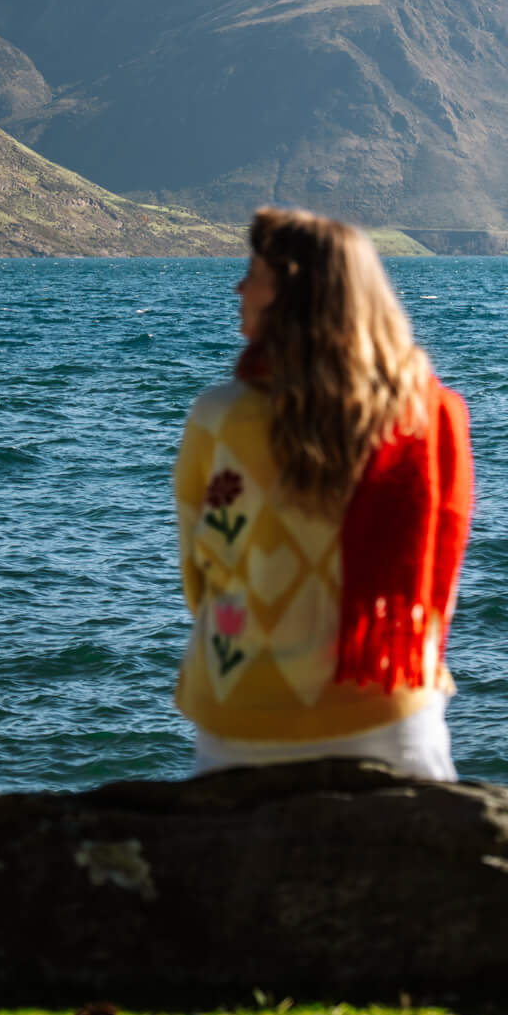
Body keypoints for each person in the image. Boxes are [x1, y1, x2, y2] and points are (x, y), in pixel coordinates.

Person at [172, 206, 474, 779]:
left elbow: (200, 577)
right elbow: (439, 581)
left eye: (254, 272)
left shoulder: (219, 417)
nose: (239, 286)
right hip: (385, 699)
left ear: (292, 294)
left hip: (241, 709)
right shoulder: (431, 416)